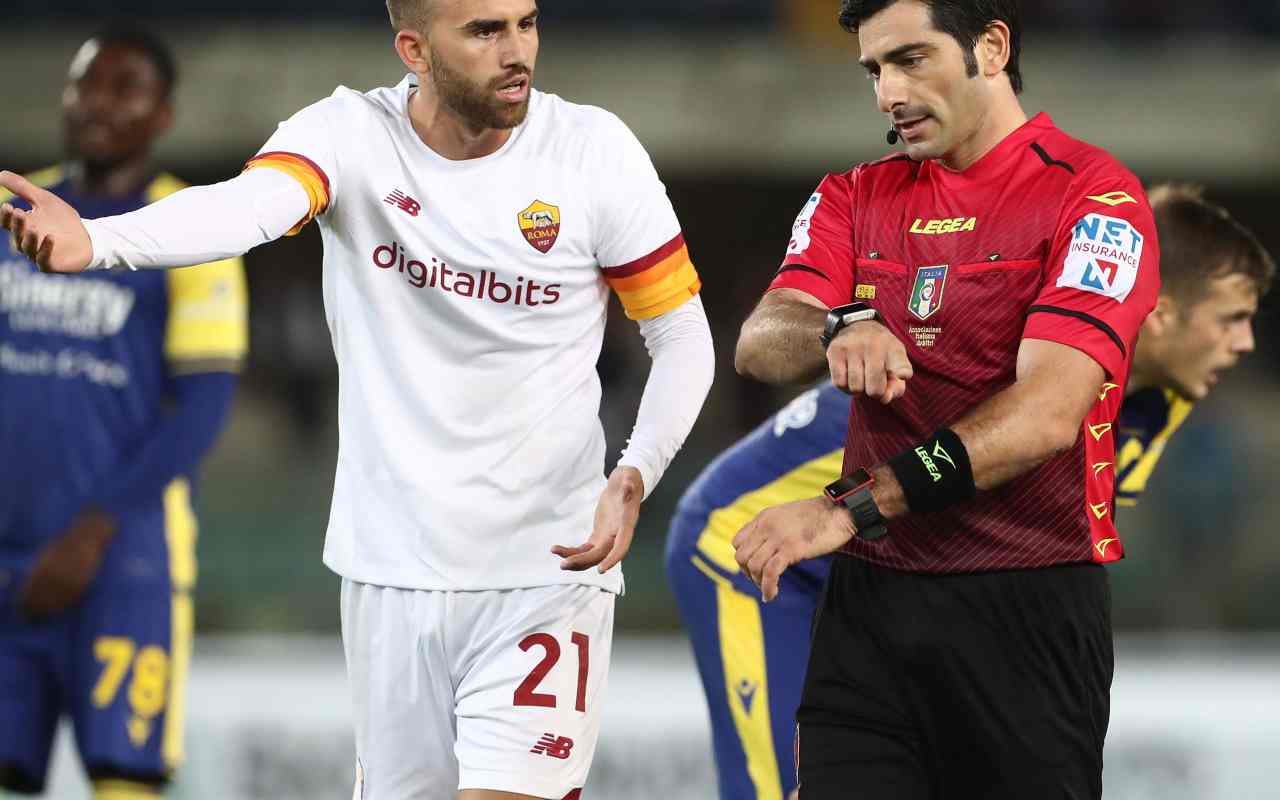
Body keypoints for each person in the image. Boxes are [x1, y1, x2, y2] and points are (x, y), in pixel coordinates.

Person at [0, 2, 715, 798]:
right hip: (387, 571)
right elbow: (243, 208)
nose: (517, 50)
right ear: (415, 49)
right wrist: (102, 240)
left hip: (546, 568)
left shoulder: (592, 152)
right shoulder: (348, 136)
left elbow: (682, 335)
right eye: (485, 31)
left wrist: (636, 470)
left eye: (526, 22)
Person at [666, 181, 1274, 800]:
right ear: (1161, 314)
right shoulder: (1008, 369)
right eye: (1231, 318)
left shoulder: (1161, 397)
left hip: (889, 572)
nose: (1246, 342)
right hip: (755, 552)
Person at [729, 0, 1162, 797]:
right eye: (874, 70)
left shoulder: (1096, 200)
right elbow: (760, 340)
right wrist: (838, 324)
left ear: (990, 48)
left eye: (911, 59)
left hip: (1026, 609)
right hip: (869, 609)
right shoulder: (854, 195)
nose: (887, 94)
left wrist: (851, 506)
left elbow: (1045, 415)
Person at [0, 28, 248, 799]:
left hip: (125, 562)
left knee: (124, 779)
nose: (98, 103)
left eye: (125, 88)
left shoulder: (190, 227)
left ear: (163, 114)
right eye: (86, 83)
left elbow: (202, 405)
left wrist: (92, 533)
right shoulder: (13, 212)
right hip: (8, 552)